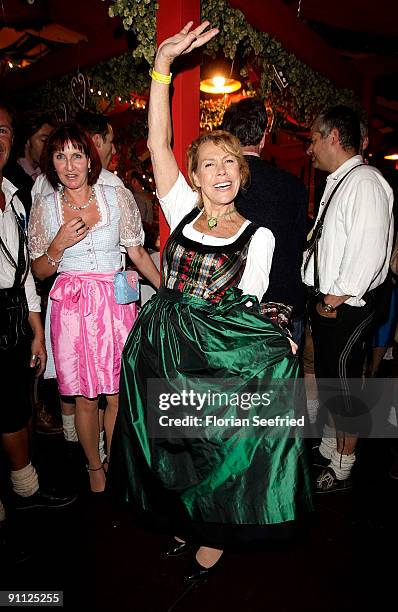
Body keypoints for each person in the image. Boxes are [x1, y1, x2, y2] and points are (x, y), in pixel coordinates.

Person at [109, 21, 311, 583]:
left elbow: (248, 305)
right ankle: (185, 514)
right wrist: (162, 66)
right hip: (161, 342)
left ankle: (214, 529)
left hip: (214, 352)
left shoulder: (258, 236)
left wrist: (279, 337)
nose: (221, 173)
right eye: (209, 165)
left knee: (211, 440)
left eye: (230, 164)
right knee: (168, 439)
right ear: (193, 177)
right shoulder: (178, 209)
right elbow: (155, 141)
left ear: (239, 173)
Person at [28, 123, 160, 493]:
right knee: (86, 395)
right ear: (51, 163)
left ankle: (115, 458)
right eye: (60, 156)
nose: (69, 165)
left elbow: (135, 251)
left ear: (90, 159)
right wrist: (57, 245)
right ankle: (93, 465)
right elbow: (38, 270)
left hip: (115, 303)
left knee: (117, 393)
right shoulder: (45, 207)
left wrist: (166, 290)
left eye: (76, 155)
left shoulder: (116, 197)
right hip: (72, 308)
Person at [304, 105, 394, 492]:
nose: (310, 148)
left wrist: (332, 300)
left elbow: (368, 253)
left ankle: (343, 467)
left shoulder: (365, 182)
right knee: (331, 384)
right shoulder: (347, 179)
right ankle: (330, 448)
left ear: (333, 138)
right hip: (333, 303)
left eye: (313, 139)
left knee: (345, 388)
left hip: (346, 306)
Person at [0, 99, 76, 535]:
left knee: (17, 404)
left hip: (12, 312)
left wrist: (35, 329)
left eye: (5, 130)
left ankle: (22, 486)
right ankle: (23, 489)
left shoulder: (13, 198)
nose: (0, 138)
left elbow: (23, 271)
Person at [221, 99, 307, 348]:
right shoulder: (293, 186)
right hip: (284, 304)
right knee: (282, 382)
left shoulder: (219, 185)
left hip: (232, 306)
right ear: (263, 139)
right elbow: (298, 245)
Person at [4, 112, 54, 218]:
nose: (49, 146)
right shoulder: (11, 177)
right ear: (27, 141)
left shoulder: (49, 176)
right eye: (44, 140)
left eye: (51, 141)